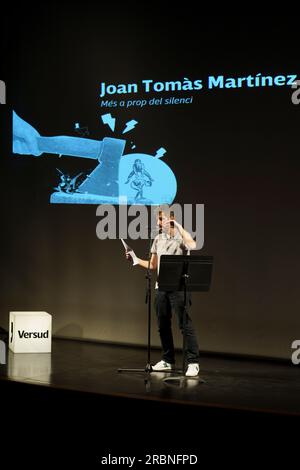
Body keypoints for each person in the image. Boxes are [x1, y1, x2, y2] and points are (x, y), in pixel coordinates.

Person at [126, 208, 200, 377]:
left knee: (184, 325)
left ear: (171, 218)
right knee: (162, 325)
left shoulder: (181, 236)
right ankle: (167, 360)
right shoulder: (158, 239)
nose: (158, 222)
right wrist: (135, 259)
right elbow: (153, 265)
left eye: (161, 219)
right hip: (161, 287)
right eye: (157, 219)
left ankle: (193, 362)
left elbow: (193, 245)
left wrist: (177, 225)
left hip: (179, 288)